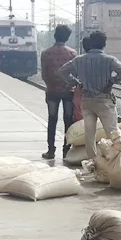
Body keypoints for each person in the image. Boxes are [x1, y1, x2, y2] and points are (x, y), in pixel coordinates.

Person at [58, 30, 121, 160]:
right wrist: (112, 81)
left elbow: (63, 71)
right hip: (104, 101)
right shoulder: (109, 59)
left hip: (87, 101)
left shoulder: (79, 60)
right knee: (112, 132)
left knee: (89, 134)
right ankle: (117, 159)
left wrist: (75, 82)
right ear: (104, 44)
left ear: (91, 43)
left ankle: (93, 161)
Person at [40, 25, 76, 159]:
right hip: (68, 91)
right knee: (68, 120)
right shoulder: (72, 53)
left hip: (52, 91)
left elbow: (44, 74)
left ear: (55, 35)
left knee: (52, 119)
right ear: (67, 37)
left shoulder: (46, 53)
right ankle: (66, 150)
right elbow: (74, 73)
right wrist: (68, 85)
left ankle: (50, 150)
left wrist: (51, 84)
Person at [71, 36, 93, 123]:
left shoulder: (78, 60)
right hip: (97, 95)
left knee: (78, 117)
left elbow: (63, 71)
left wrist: (73, 81)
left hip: (80, 92)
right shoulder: (104, 59)